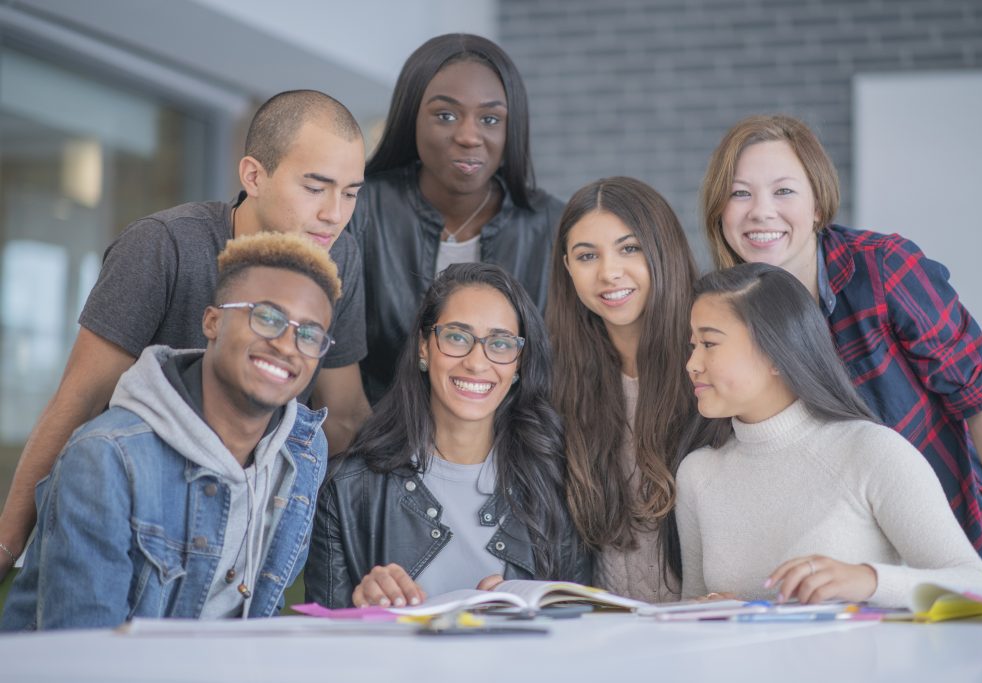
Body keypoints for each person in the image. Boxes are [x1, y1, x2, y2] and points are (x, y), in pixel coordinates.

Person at [0, 90, 370, 580]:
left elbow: (343, 415)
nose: (334, 214)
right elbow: (82, 397)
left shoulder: (339, 258)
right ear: (254, 176)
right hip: (128, 509)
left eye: (350, 192)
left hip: (241, 531)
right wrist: (7, 546)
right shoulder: (163, 245)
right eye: (315, 187)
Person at [700, 114, 982, 563]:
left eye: (784, 191)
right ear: (720, 210)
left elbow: (979, 396)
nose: (761, 211)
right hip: (832, 538)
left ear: (817, 204)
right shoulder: (722, 310)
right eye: (740, 193)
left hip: (943, 514)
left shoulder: (883, 268)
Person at [1, 233, 339, 629]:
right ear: (212, 322)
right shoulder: (107, 457)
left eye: (309, 334)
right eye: (266, 317)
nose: (287, 345)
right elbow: (84, 658)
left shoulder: (303, 449)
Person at [677, 263, 982, 607]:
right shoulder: (698, 473)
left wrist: (868, 580)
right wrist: (710, 606)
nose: (692, 364)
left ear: (775, 352)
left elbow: (978, 587)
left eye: (709, 343)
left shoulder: (872, 450)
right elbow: (692, 605)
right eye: (693, 345)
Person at [306, 263, 588, 608]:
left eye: (500, 343)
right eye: (456, 337)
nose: (476, 362)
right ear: (424, 347)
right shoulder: (346, 490)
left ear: (519, 364)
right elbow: (323, 644)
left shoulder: (557, 484)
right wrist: (362, 610)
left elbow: (579, 630)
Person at [349, 33, 564, 403]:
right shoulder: (358, 208)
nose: (469, 136)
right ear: (411, 116)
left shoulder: (552, 227)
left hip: (508, 447)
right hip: (373, 439)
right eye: (446, 115)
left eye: (490, 119)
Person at [546, 177, 704, 603]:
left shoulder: (711, 366)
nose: (608, 272)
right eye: (586, 256)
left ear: (662, 249)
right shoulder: (556, 380)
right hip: (604, 635)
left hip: (706, 629)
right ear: (567, 267)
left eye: (629, 248)